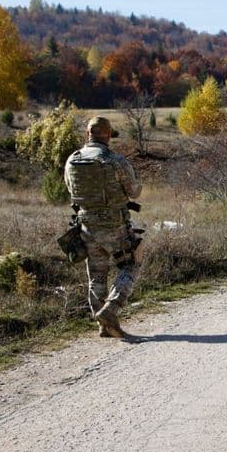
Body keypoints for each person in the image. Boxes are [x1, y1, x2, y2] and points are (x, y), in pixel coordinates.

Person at [64, 116, 143, 340]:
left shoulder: (72, 159)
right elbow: (134, 192)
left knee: (97, 276)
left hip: (86, 226)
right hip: (114, 224)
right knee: (131, 264)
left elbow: (70, 188)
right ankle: (110, 310)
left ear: (87, 134)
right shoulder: (114, 160)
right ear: (108, 135)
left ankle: (103, 326)